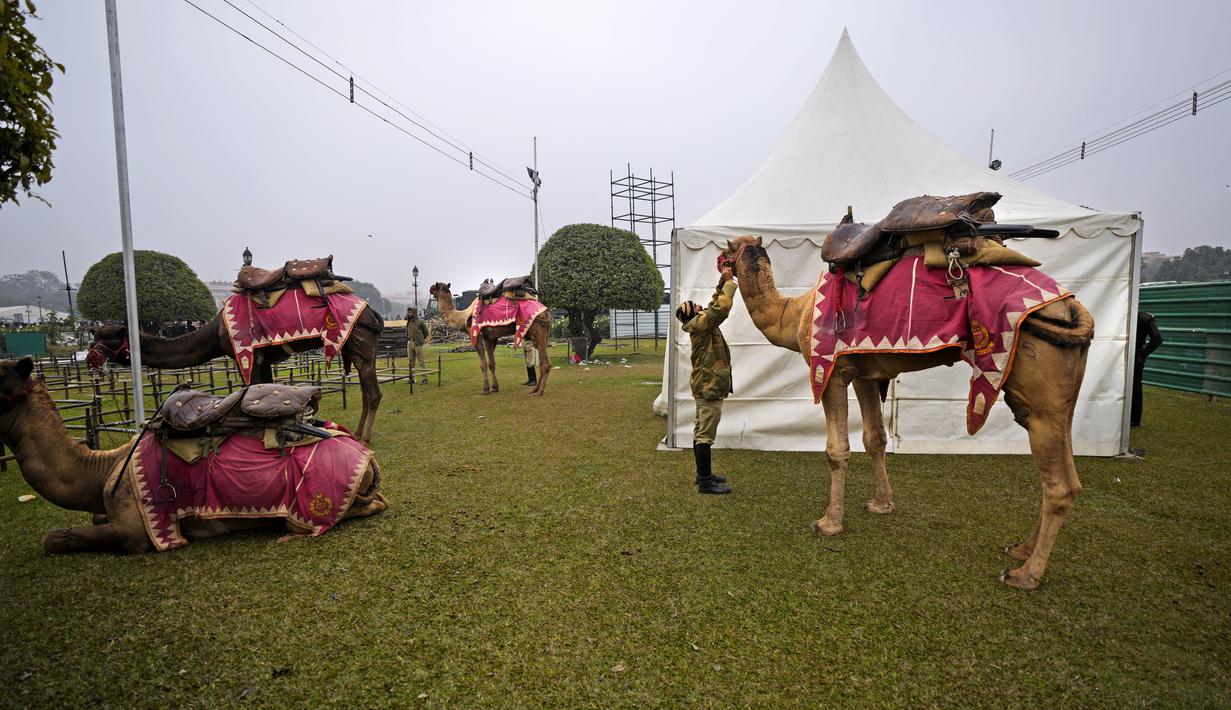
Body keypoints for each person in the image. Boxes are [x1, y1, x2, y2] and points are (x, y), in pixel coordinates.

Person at [677, 266, 737, 494]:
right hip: (708, 387)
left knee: (700, 430)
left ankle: (704, 475)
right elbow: (719, 309)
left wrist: (721, 283)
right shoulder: (701, 325)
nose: (699, 306)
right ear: (693, 315)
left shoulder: (699, 322)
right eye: (695, 306)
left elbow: (713, 303)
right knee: (705, 435)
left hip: (706, 385)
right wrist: (730, 284)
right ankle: (705, 482)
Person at [1132, 310, 1164, 426]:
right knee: (1132, 385)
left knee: (1135, 386)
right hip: (1126, 355)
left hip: (1135, 356)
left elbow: (1157, 338)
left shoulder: (1143, 318)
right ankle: (1131, 418)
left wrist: (1142, 355)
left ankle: (1134, 419)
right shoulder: (1126, 315)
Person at [406, 308, 430, 384]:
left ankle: (424, 379)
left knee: (421, 362)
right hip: (410, 343)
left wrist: (421, 339)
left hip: (418, 344)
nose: (408, 314)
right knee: (411, 362)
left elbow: (426, 332)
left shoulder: (420, 322)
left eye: (410, 312)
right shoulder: (408, 322)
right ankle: (412, 379)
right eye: (408, 312)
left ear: (414, 313)